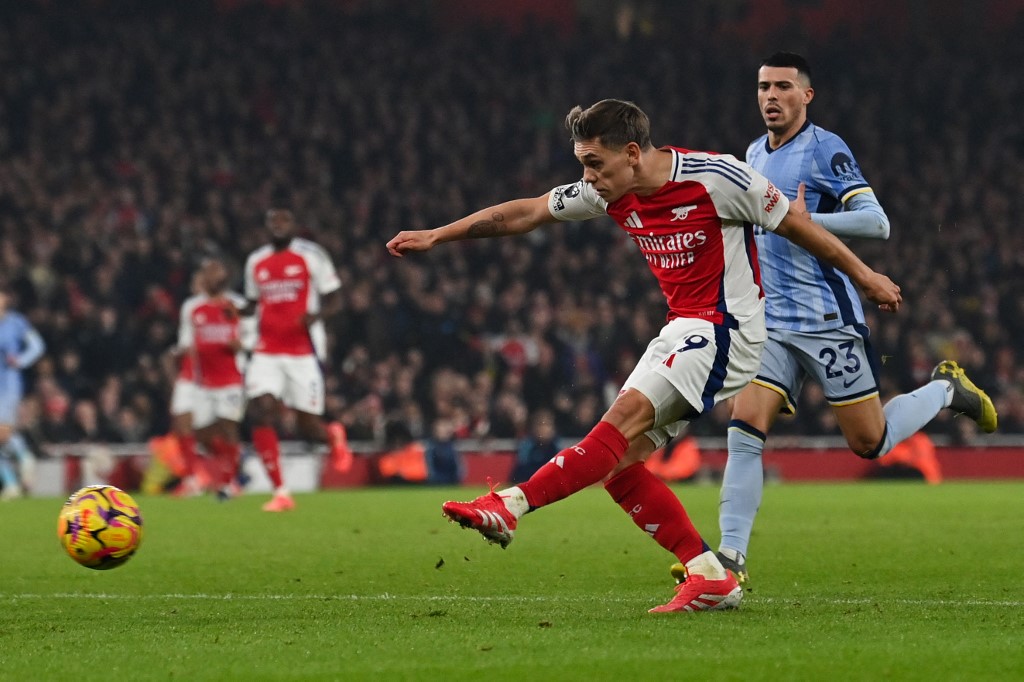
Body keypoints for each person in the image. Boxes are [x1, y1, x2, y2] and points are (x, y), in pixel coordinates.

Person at [386, 98, 902, 613]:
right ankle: (708, 573)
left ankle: (511, 503)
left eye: (595, 163)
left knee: (623, 418)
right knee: (620, 467)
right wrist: (439, 235)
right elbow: (528, 211)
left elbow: (798, 225)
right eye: (582, 163)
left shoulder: (720, 178)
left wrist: (866, 276)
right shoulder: (608, 191)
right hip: (682, 329)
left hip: (729, 330)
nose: (587, 176)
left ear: (632, 153)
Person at [712, 53, 998, 586]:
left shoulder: (825, 149)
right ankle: (729, 559)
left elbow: (876, 222)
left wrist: (805, 218)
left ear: (806, 96)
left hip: (827, 319)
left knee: (870, 442)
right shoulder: (751, 153)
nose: (770, 97)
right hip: (771, 322)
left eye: (782, 87)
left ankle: (944, 389)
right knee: (744, 429)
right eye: (762, 87)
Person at [242, 198, 352, 512]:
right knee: (261, 410)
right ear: (267, 227)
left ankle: (331, 436)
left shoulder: (312, 256)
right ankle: (281, 492)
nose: (279, 225)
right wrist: (235, 313)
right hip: (266, 352)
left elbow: (334, 299)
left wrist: (317, 317)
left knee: (308, 427)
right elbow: (252, 303)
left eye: (284, 220)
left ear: (293, 225)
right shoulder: (256, 262)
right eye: (273, 221)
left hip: (302, 351)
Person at [178, 257, 249, 500]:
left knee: (229, 427)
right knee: (200, 432)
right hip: (203, 382)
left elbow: (253, 336)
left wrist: (242, 345)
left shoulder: (237, 305)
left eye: (217, 271)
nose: (213, 276)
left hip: (231, 379)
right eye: (208, 272)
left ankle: (229, 484)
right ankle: (235, 463)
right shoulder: (192, 308)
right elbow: (187, 343)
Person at [0, 286, 46, 499]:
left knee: (2, 432)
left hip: (8, 384)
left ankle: (24, 457)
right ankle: (10, 483)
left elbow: (37, 345)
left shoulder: (16, 322)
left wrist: (20, 361)